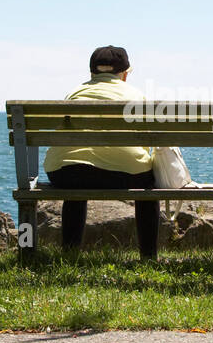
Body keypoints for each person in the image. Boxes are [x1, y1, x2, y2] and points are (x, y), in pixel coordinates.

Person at [43, 45, 160, 259]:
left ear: (92, 73)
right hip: (123, 176)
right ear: (125, 74)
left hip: (66, 175)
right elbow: (147, 138)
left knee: (77, 179)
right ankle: (148, 257)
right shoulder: (136, 95)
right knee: (148, 186)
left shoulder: (75, 93)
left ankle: (69, 255)